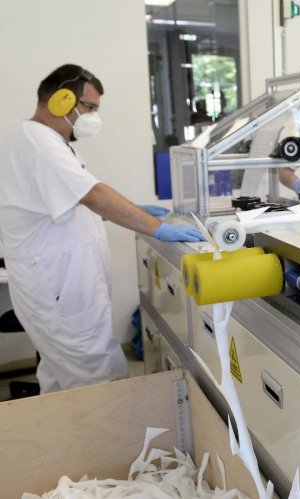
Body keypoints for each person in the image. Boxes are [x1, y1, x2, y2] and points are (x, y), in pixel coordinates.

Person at [0, 64, 204, 394]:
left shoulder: (41, 140)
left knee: (62, 375)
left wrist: (136, 211)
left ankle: (65, 427)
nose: (93, 117)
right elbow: (93, 195)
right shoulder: (39, 143)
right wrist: (158, 228)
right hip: (58, 286)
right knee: (94, 377)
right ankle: (99, 429)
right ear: (61, 100)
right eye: (89, 107)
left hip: (57, 283)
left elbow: (71, 203)